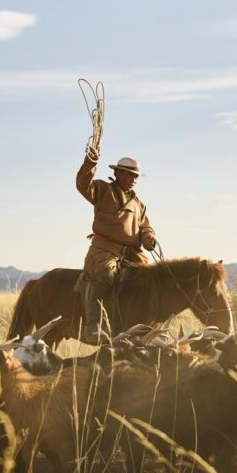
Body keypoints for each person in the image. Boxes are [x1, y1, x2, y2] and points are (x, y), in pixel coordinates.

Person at [76, 145, 157, 341]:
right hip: (105, 248)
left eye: (135, 176)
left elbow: (145, 226)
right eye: (129, 175)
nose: (133, 180)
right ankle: (94, 326)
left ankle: (146, 325)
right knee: (106, 273)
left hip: (132, 252)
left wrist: (148, 237)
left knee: (152, 279)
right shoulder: (103, 189)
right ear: (117, 173)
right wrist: (91, 163)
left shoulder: (139, 204)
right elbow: (83, 185)